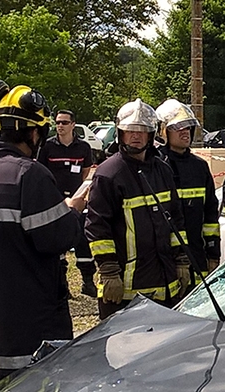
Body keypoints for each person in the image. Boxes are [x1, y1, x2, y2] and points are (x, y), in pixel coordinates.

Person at [0, 85, 85, 384]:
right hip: (37, 317)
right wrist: (73, 209)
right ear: (33, 133)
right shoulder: (30, 175)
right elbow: (59, 237)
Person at [85, 99, 189, 319]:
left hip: (165, 286)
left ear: (151, 135)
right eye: (130, 130)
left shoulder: (163, 170)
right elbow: (97, 228)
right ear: (120, 133)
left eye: (142, 130)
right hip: (125, 292)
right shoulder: (109, 174)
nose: (136, 135)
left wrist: (181, 261)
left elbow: (176, 220)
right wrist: (109, 272)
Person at [156, 99, 221, 283]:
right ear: (163, 131)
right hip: (165, 259)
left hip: (197, 256)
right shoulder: (155, 166)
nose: (185, 132)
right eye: (178, 127)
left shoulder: (199, 167)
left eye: (188, 127)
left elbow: (210, 214)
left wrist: (213, 253)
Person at [36, 109, 94, 296]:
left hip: (78, 201)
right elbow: (41, 174)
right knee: (58, 245)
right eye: (58, 122)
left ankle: (87, 282)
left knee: (83, 242)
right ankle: (62, 285)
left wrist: (81, 197)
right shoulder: (47, 147)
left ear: (73, 125)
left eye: (64, 122)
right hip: (55, 201)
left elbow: (87, 173)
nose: (59, 126)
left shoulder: (83, 147)